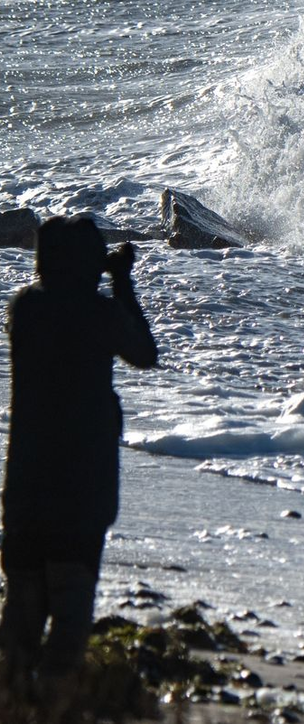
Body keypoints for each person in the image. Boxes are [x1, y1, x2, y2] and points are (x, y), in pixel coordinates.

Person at [0, 215, 158, 714]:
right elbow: (145, 352)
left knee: (20, 613)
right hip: (80, 495)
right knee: (70, 616)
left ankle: (12, 699)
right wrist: (121, 281)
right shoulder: (99, 315)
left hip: (25, 489)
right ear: (89, 265)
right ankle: (49, 701)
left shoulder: (25, 310)